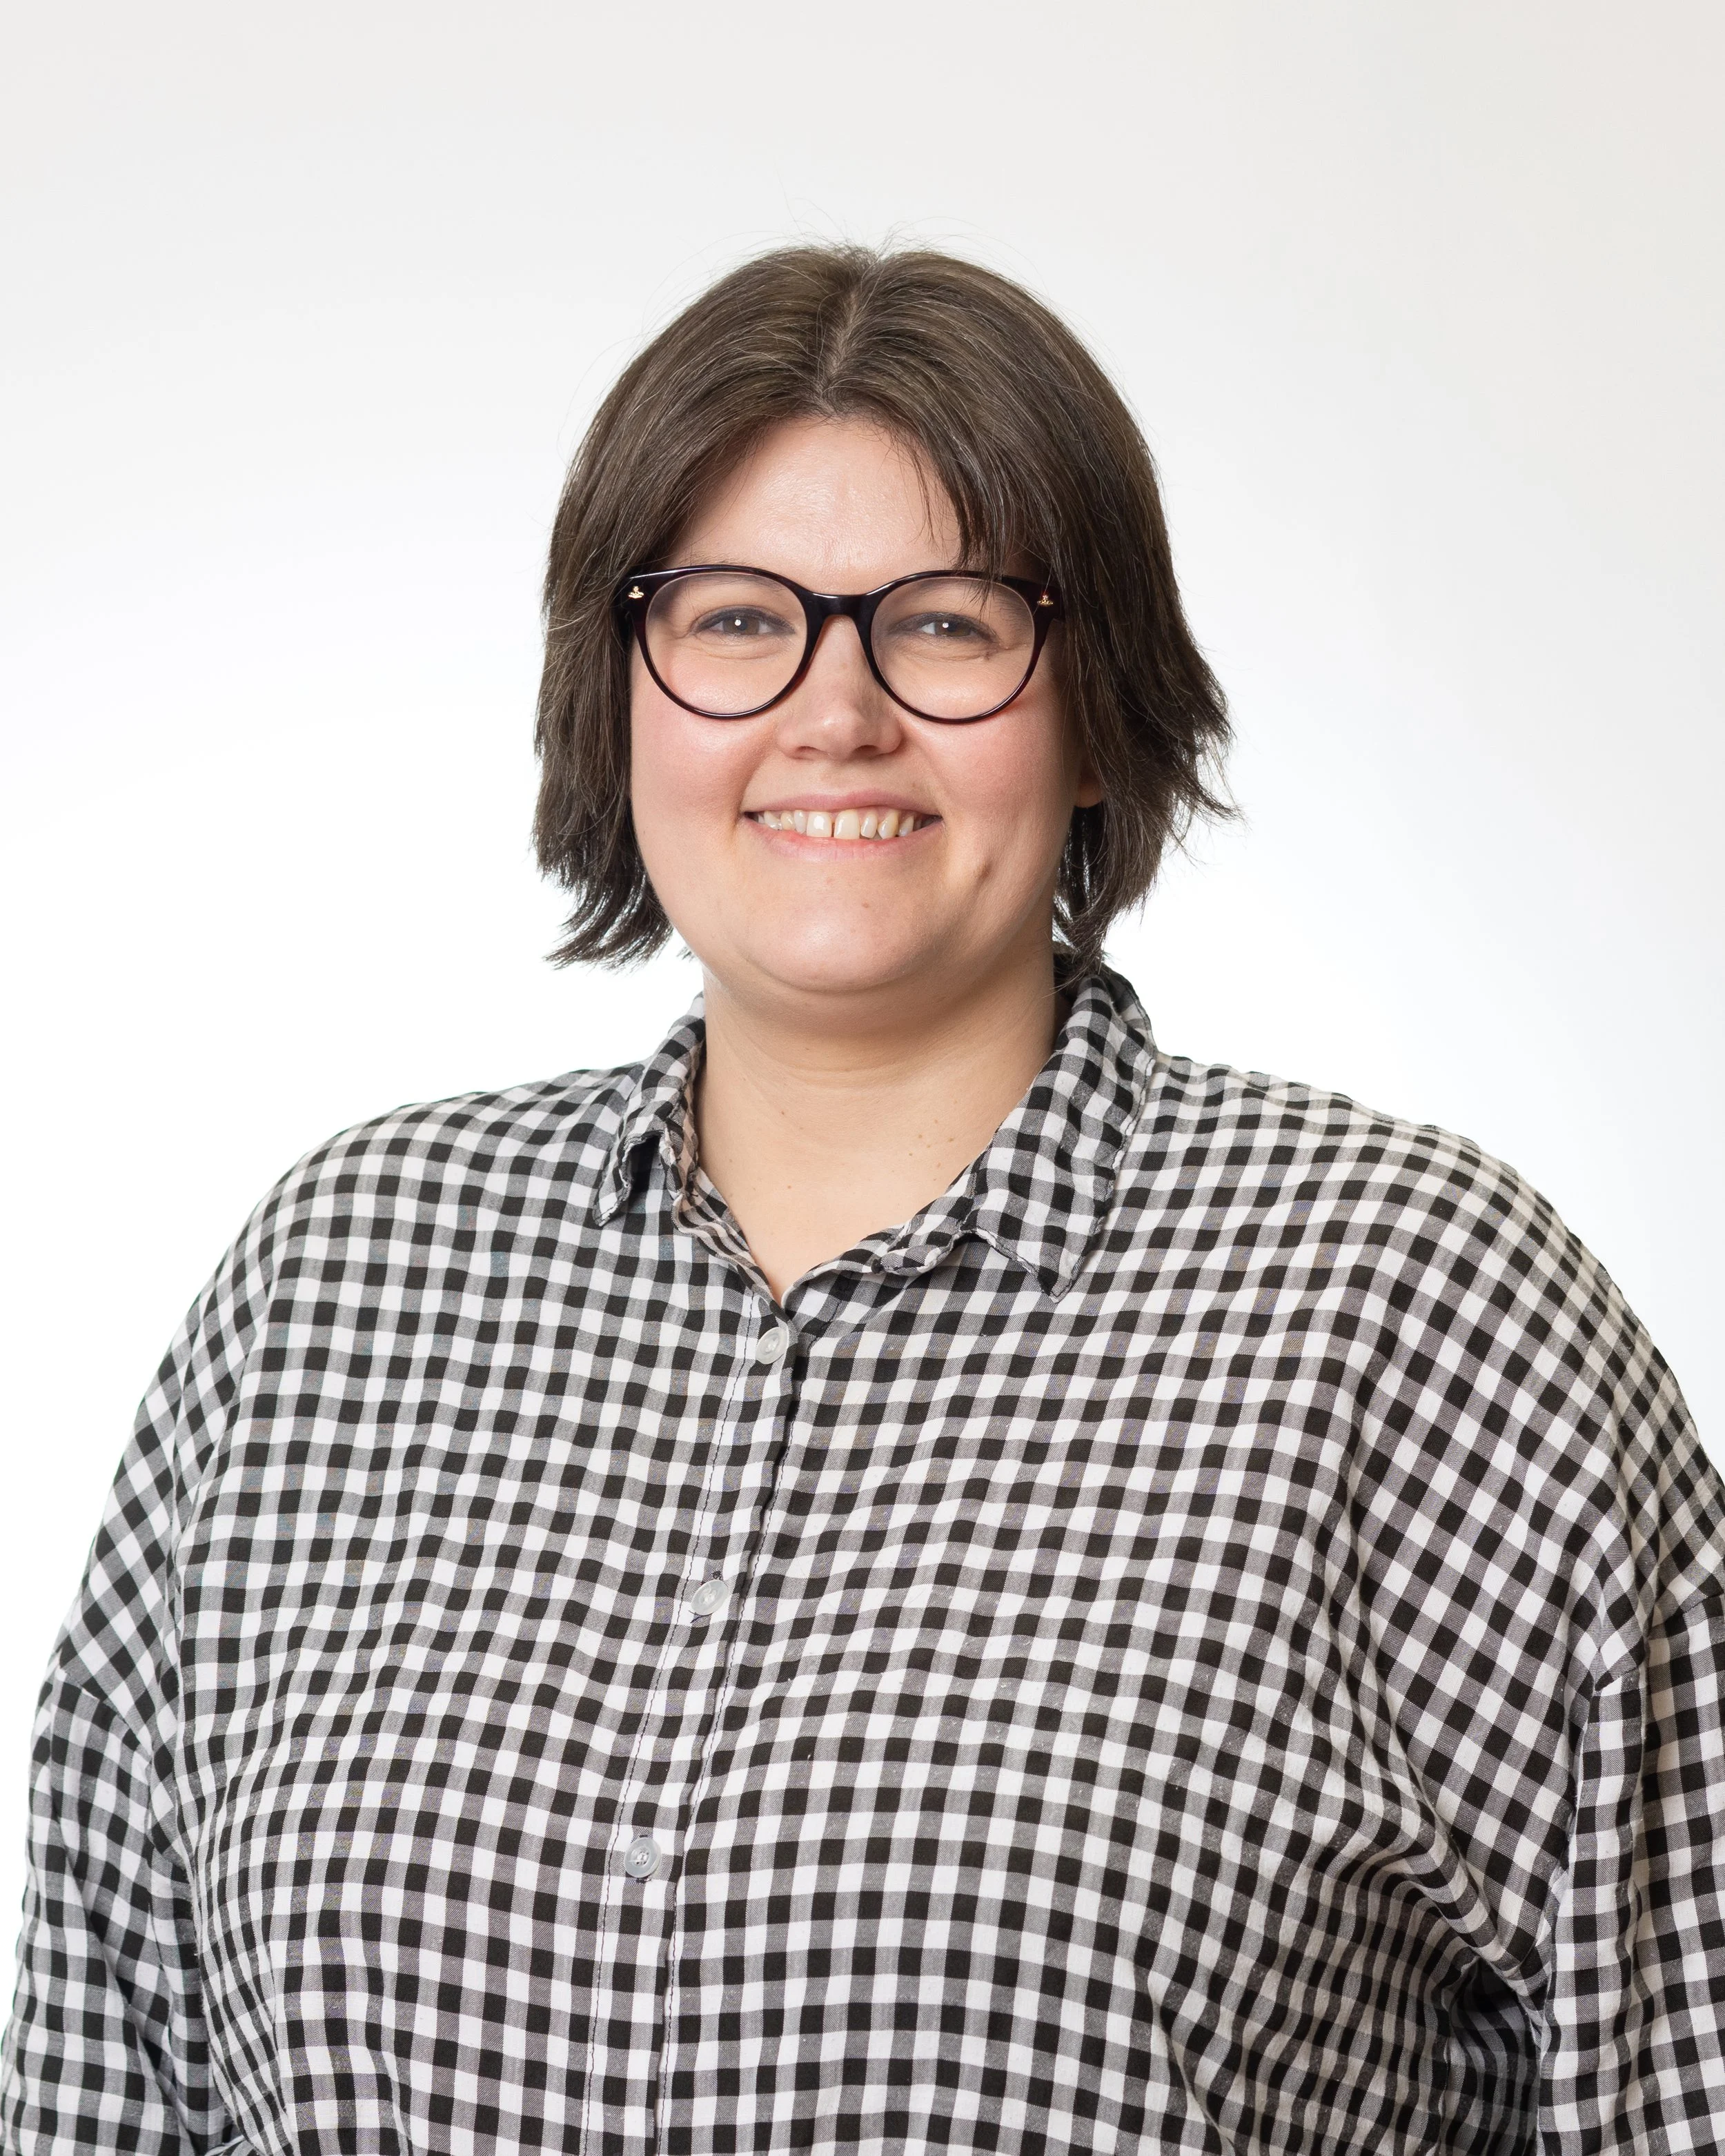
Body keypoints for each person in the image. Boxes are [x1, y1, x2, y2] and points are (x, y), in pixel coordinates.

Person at [3, 244, 1719, 2156]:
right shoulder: (337, 1284)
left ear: (1095, 703)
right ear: (621, 690)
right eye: (736, 621)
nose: (833, 713)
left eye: (947, 622)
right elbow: (100, 2069)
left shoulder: (1418, 1312)